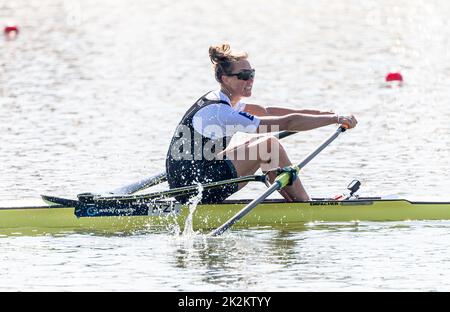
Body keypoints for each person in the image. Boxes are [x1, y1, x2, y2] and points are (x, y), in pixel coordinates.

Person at [166, 43, 357, 204]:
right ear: (225, 79)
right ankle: (306, 205)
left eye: (252, 73)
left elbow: (268, 111)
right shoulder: (220, 111)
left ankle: (295, 203)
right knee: (268, 145)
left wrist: (325, 114)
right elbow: (287, 122)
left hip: (190, 180)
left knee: (262, 146)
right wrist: (335, 120)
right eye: (243, 75)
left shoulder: (219, 99)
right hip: (195, 188)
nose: (250, 79)